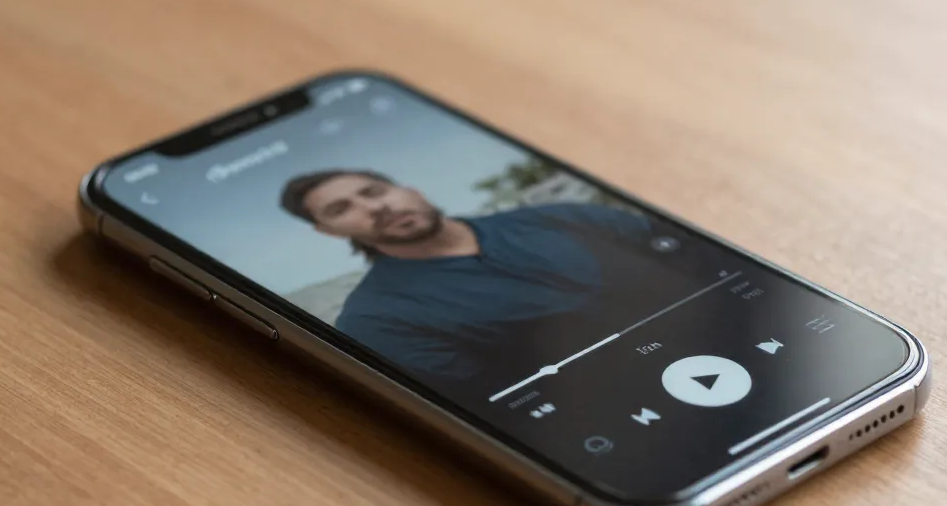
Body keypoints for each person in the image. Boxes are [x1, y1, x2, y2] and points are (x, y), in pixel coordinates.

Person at [279, 169, 692, 396]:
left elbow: (692, 260)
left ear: (410, 189)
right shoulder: (375, 322)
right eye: (341, 209)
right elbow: (497, 404)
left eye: (374, 190)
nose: (376, 207)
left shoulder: (562, 216)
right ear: (329, 232)